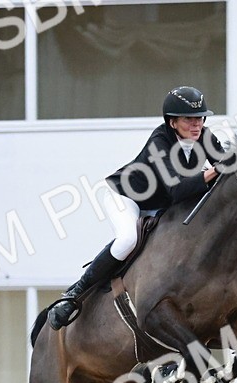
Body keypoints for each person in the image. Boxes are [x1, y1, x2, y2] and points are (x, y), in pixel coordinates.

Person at [47, 86, 227, 330]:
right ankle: (73, 296)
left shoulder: (205, 137)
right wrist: (214, 171)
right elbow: (178, 190)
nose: (197, 125)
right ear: (173, 122)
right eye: (189, 119)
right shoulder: (159, 142)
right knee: (128, 240)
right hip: (126, 197)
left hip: (159, 206)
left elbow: (228, 167)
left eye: (200, 118)